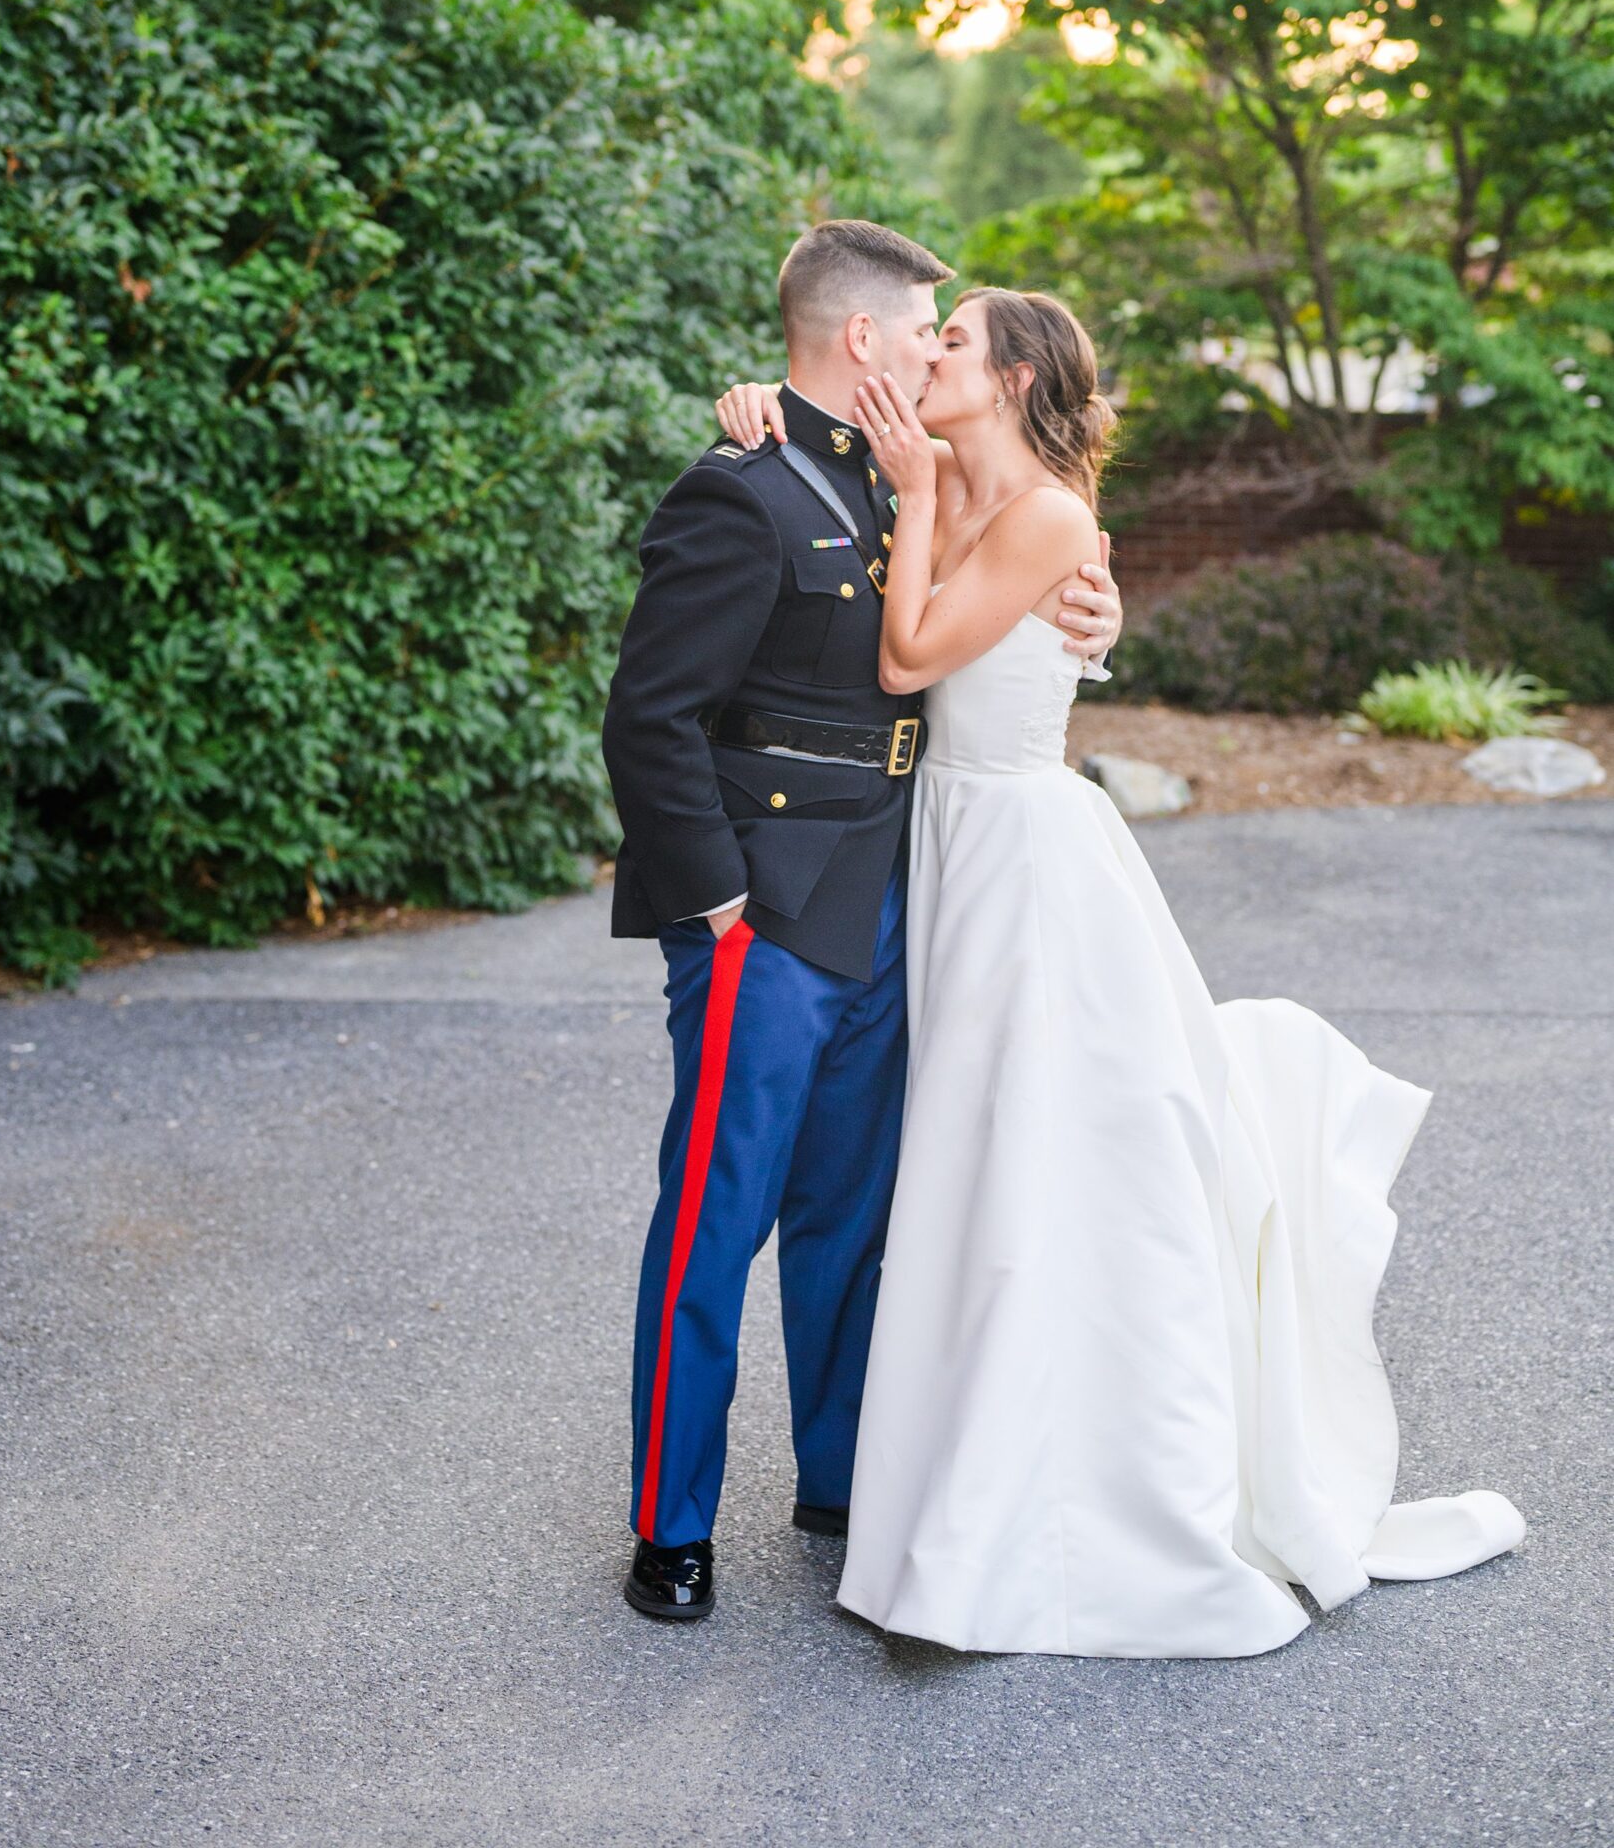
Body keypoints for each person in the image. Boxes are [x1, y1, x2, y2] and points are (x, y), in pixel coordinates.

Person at [719, 286, 1525, 1657]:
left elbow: (911, 650)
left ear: (1020, 373)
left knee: (1031, 1155)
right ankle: (949, 1472)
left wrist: (925, 498)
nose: (930, 354)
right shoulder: (940, 467)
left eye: (957, 339)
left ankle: (1049, 1504)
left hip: (1028, 864)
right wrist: (751, 412)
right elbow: (807, 413)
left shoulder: (1035, 514)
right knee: (959, 1162)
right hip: (949, 850)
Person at [601, 222, 1123, 1623]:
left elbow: (1022, 571)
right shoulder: (742, 489)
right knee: (720, 1214)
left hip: (898, 893)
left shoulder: (913, 478)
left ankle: (838, 1482)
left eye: (953, 336)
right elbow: (649, 719)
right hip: (762, 914)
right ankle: (673, 1522)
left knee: (852, 1217)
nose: (934, 347)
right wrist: (713, 906)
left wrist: (1099, 610)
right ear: (860, 343)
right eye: (922, 328)